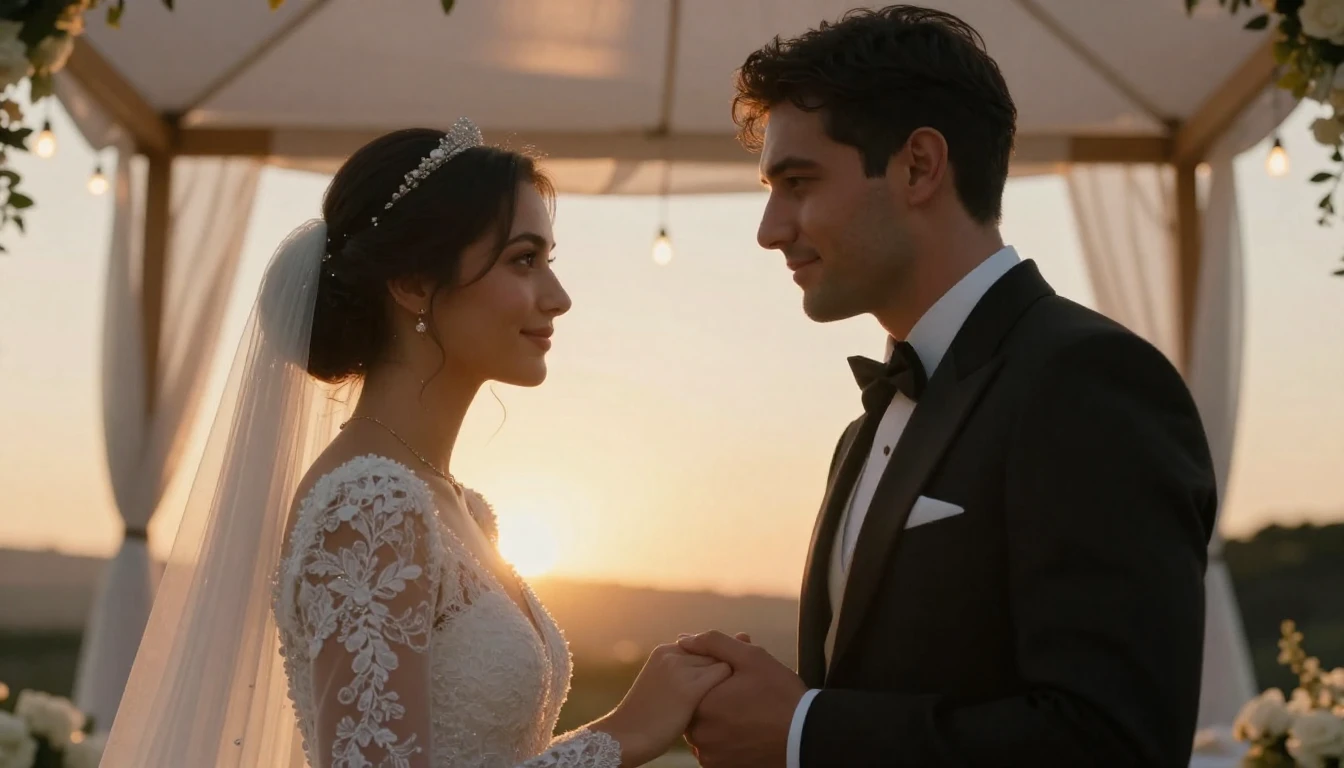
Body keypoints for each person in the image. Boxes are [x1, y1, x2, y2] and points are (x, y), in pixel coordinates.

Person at [678, 6, 1218, 767]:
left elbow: (1113, 741)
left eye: (797, 183)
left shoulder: (1088, 380)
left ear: (919, 166)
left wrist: (804, 731)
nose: (770, 229)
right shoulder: (864, 432)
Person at [98, 121, 728, 768]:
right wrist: (620, 737)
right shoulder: (369, 506)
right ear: (413, 284)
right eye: (523, 260)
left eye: (549, 261)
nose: (558, 297)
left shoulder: (461, 509)